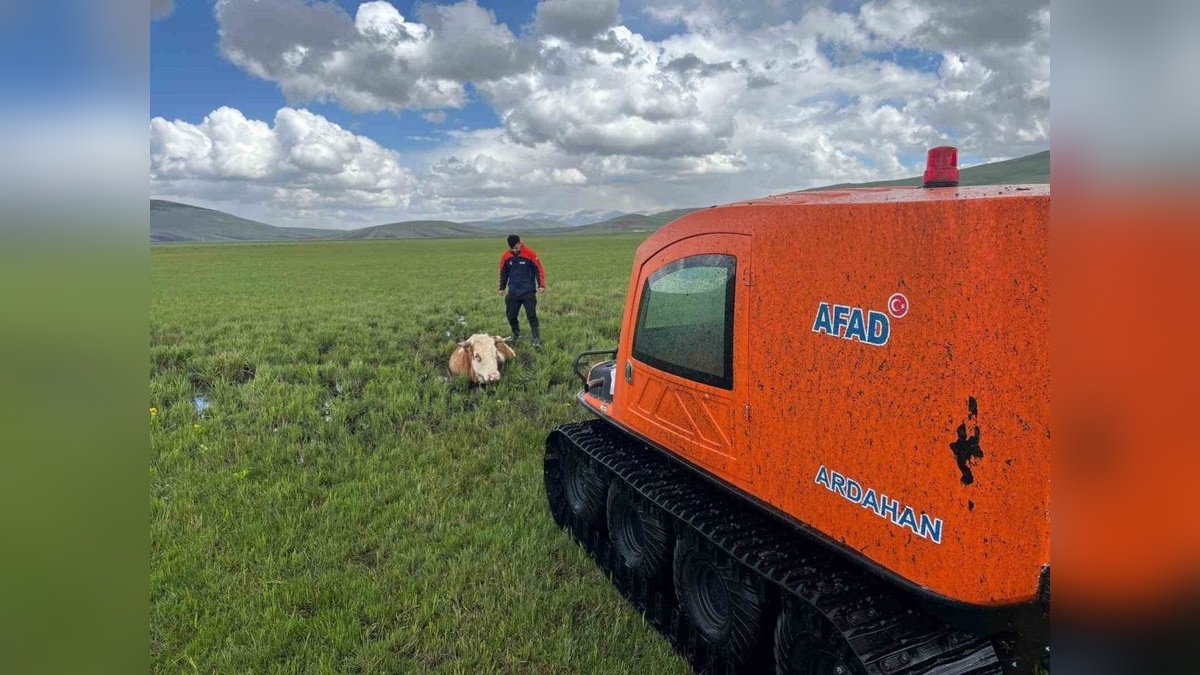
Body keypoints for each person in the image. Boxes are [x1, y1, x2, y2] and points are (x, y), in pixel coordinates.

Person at [498, 234, 546, 347]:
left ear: (520, 243)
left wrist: (541, 285)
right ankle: (516, 334)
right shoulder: (506, 256)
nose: (514, 250)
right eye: (512, 248)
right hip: (513, 291)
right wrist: (501, 287)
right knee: (511, 315)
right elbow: (503, 272)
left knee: (531, 315)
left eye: (516, 247)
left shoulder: (530, 254)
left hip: (528, 291)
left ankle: (536, 339)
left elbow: (538, 269)